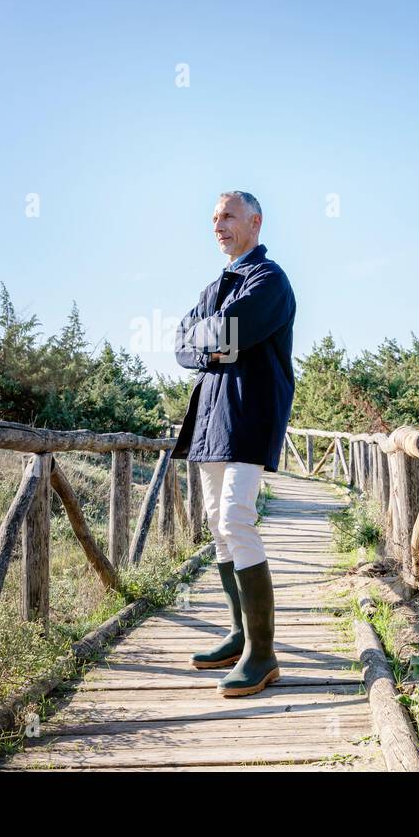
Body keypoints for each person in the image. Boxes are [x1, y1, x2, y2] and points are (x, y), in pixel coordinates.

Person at [172, 190, 296, 697]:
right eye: (214, 218)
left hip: (250, 413)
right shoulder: (212, 287)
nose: (218, 225)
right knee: (216, 528)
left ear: (255, 222)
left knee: (235, 520)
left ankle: (263, 654)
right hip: (210, 418)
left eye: (228, 216)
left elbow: (232, 331)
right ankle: (240, 635)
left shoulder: (269, 280)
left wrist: (214, 342)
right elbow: (181, 345)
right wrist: (213, 346)